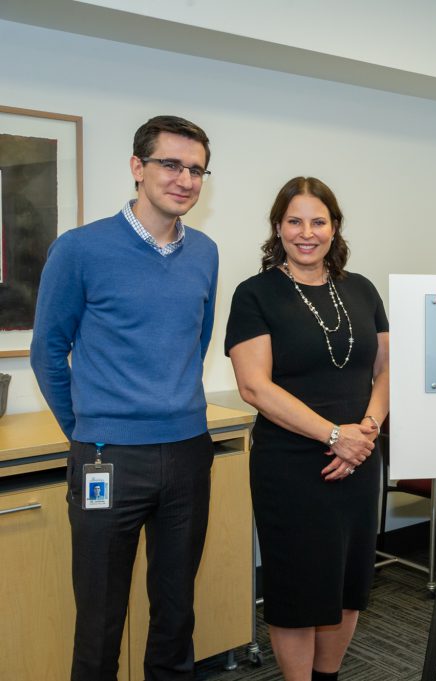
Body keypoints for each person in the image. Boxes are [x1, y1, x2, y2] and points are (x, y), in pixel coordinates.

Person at [30, 115, 219, 681]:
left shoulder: (205, 252)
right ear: (138, 168)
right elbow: (48, 351)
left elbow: (196, 339)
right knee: (100, 617)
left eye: (196, 169)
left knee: (176, 612)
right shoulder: (80, 249)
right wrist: (88, 427)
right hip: (107, 458)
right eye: (170, 164)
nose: (184, 179)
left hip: (188, 451)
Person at [225, 177, 389, 681]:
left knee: (348, 581)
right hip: (292, 464)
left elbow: (386, 370)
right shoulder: (255, 295)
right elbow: (255, 388)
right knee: (297, 587)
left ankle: (328, 678)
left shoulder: (361, 289)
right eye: (294, 221)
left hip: (360, 457)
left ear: (334, 227)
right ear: (278, 227)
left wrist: (365, 431)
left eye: (318, 221)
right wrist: (334, 436)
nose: (307, 232)